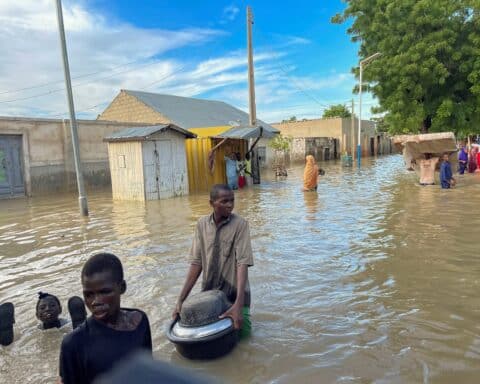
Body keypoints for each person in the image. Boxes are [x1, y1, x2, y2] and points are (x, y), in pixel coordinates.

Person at [172, 184, 254, 339]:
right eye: (224, 201)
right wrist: (180, 300)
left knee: (245, 339)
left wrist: (238, 304)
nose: (230, 205)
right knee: (205, 338)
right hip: (209, 295)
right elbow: (197, 263)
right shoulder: (202, 225)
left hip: (235, 295)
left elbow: (242, 263)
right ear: (212, 203)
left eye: (232, 200)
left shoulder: (240, 225)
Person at [59, 252, 152, 384]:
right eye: (89, 294)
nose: (95, 302)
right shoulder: (73, 343)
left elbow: (148, 370)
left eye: (104, 292)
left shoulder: (140, 320)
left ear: (122, 287)